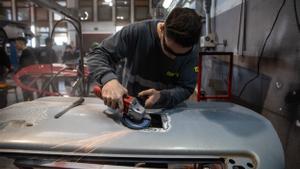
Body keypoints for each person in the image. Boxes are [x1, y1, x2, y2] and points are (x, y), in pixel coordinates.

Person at [88, 7, 202, 110]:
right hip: (127, 105)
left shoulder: (192, 49)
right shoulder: (136, 33)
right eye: (169, 50)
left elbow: (186, 87)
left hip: (166, 109)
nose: (173, 58)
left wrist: (163, 96)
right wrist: (108, 80)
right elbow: (98, 53)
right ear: (162, 29)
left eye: (181, 55)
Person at [15, 37, 37, 101]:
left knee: (27, 95)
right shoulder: (26, 52)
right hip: (27, 77)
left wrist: (16, 73)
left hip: (27, 78)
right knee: (29, 95)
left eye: (17, 43)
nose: (15, 45)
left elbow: (24, 66)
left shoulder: (26, 53)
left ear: (21, 43)